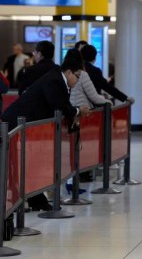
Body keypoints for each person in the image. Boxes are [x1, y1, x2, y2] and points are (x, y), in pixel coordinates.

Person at [2, 49, 90, 211]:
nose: (77, 81)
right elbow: (58, 106)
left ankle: (32, 199)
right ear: (69, 72)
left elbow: (62, 106)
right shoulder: (55, 80)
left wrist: (74, 111)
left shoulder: (58, 78)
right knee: (19, 162)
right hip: (16, 123)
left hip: (26, 125)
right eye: (77, 76)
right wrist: (77, 111)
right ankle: (22, 200)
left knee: (26, 162)